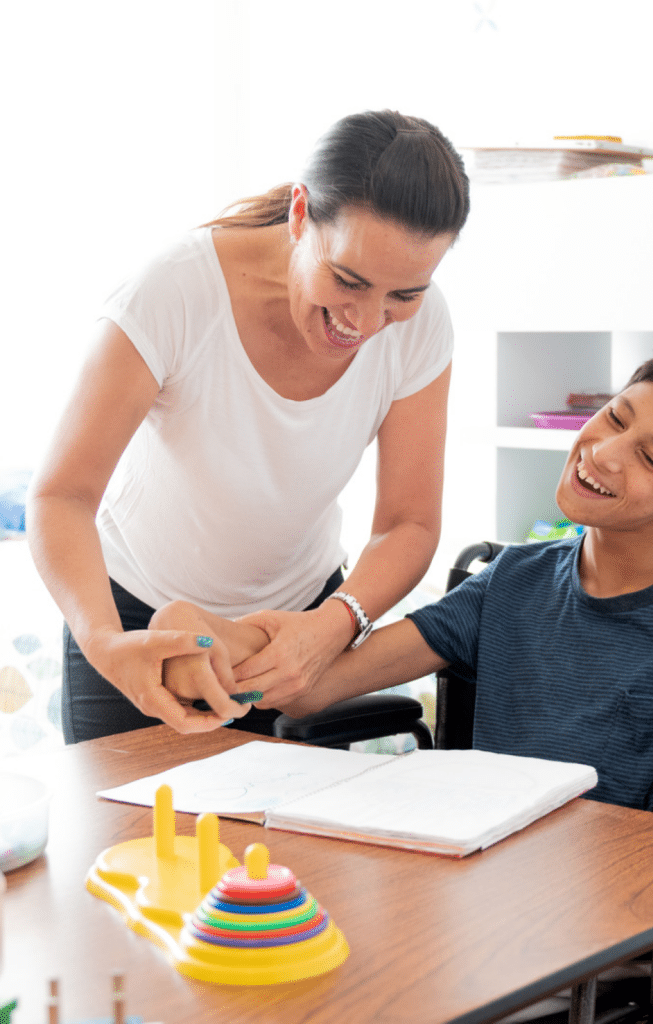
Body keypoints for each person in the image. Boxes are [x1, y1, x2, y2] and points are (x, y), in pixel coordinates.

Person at [156, 336, 653, 817]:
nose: (601, 452)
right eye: (616, 417)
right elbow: (315, 682)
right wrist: (199, 632)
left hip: (623, 904)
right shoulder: (512, 581)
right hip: (485, 874)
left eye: (649, 458)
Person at [26, 109, 470, 743]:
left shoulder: (424, 330)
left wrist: (337, 623)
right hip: (135, 620)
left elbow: (410, 522)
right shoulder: (173, 292)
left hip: (305, 633)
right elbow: (61, 496)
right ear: (299, 214)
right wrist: (103, 641)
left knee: (293, 843)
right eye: (348, 280)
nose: (368, 321)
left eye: (405, 294)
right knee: (132, 841)